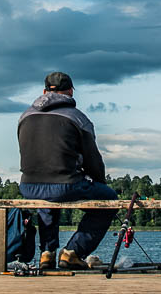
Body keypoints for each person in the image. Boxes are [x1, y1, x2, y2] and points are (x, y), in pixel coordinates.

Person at [17, 71, 116, 269]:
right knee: (110, 201)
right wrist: (99, 183)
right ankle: (73, 252)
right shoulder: (78, 118)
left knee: (45, 200)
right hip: (66, 185)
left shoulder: (25, 116)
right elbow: (93, 162)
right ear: (70, 91)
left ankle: (47, 253)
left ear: (44, 91)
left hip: (28, 185)